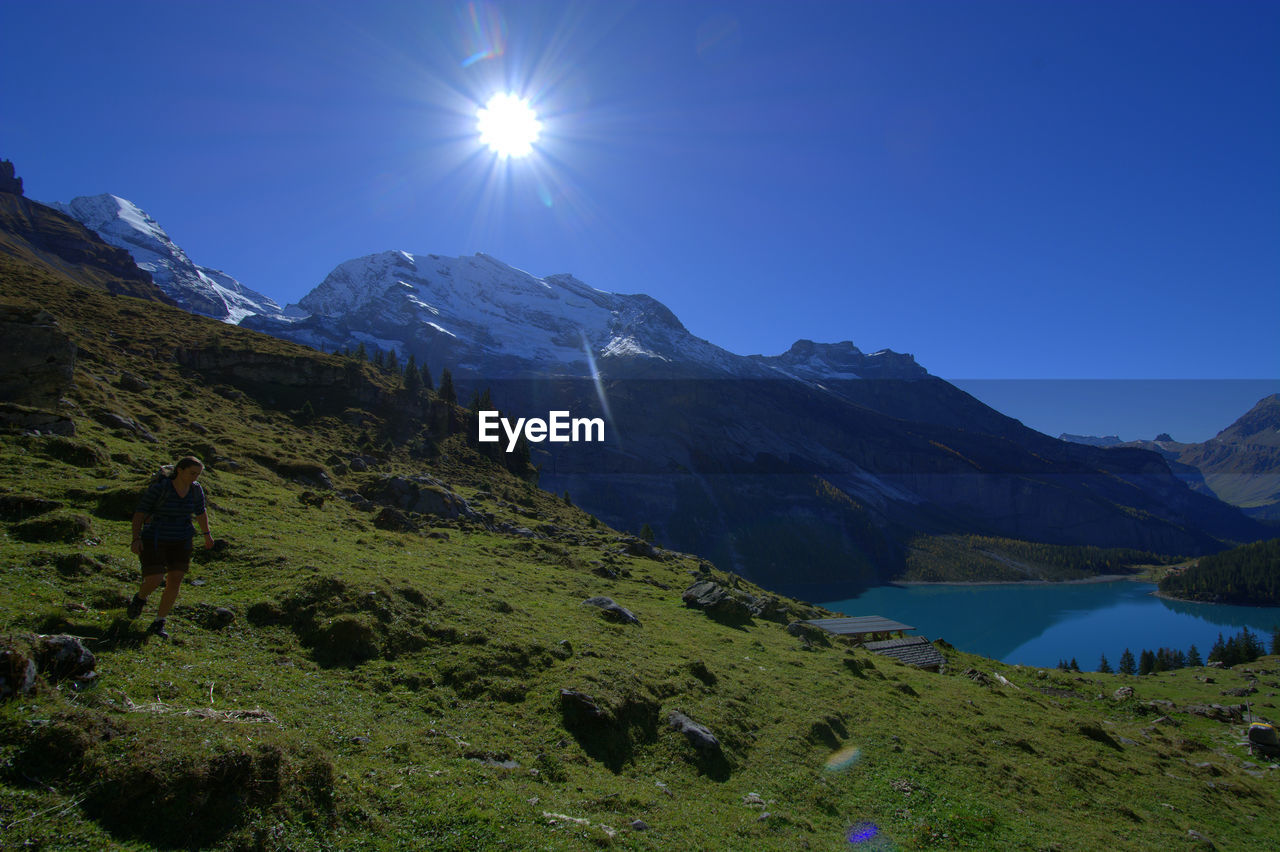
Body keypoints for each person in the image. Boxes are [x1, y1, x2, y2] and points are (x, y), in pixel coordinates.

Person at [126, 456, 214, 639]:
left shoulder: (196, 490)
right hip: (155, 537)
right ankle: (140, 598)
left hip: (182, 539)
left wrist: (207, 534)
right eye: (192, 473)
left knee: (175, 579)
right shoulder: (160, 489)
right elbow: (140, 513)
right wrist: (136, 539)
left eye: (198, 474)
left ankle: (159, 621)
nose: (195, 478)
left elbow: (200, 511)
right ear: (180, 470)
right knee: (155, 578)